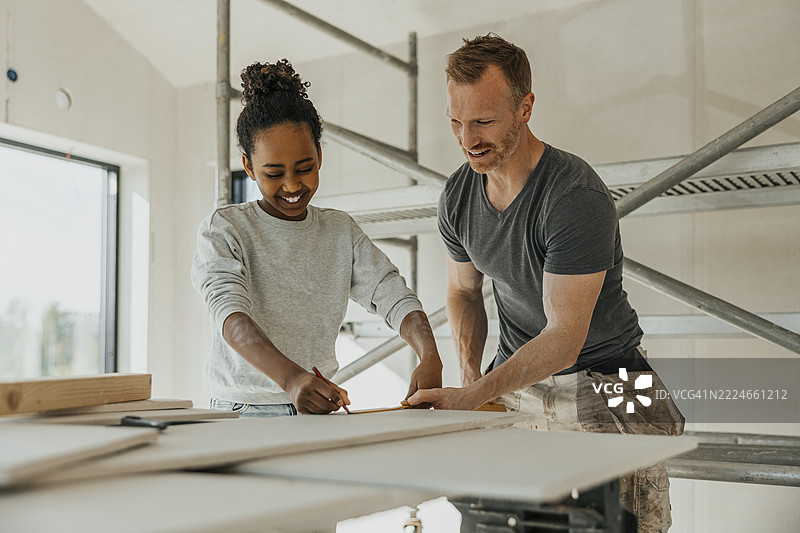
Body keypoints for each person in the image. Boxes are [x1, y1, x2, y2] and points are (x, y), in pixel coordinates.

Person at [404, 35, 684, 532]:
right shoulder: (458, 196)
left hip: (616, 380)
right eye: (456, 122)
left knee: (625, 525)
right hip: (520, 378)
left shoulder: (573, 195)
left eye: (483, 122)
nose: (467, 139)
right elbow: (464, 293)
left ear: (525, 107)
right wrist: (471, 381)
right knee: (500, 519)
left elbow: (564, 335)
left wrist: (477, 393)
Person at [192, 59, 442, 417]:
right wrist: (292, 379)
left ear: (320, 156)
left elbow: (391, 293)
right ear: (248, 166)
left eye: (305, 168)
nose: (292, 185)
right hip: (242, 409)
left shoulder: (340, 232)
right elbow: (231, 317)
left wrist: (429, 354)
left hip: (313, 408)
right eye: (273, 173)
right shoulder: (225, 229)